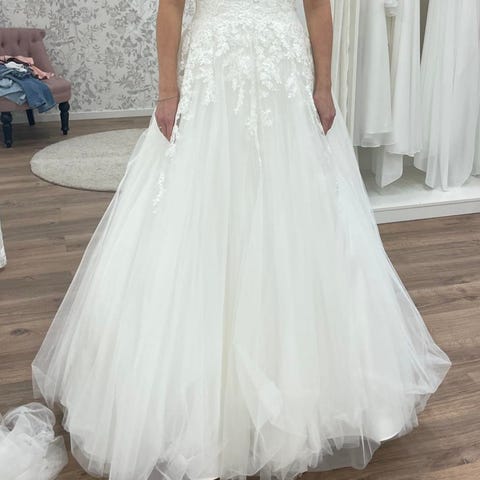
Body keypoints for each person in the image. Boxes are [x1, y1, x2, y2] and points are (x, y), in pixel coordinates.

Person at [31, 1, 452, 480]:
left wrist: (323, 85)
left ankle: (304, 390)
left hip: (283, 75)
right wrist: (167, 91)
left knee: (295, 215)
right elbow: (171, 7)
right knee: (202, 211)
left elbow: (318, 7)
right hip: (214, 73)